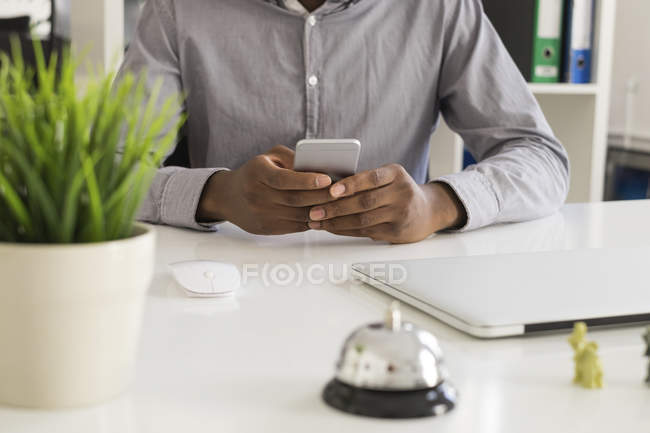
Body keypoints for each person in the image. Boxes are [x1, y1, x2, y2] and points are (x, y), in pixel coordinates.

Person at [118, 0, 569, 244]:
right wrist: (217, 195)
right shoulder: (176, 9)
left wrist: (437, 205)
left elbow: (541, 159)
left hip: (396, 292)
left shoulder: (443, 9)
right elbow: (99, 173)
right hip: (224, 284)